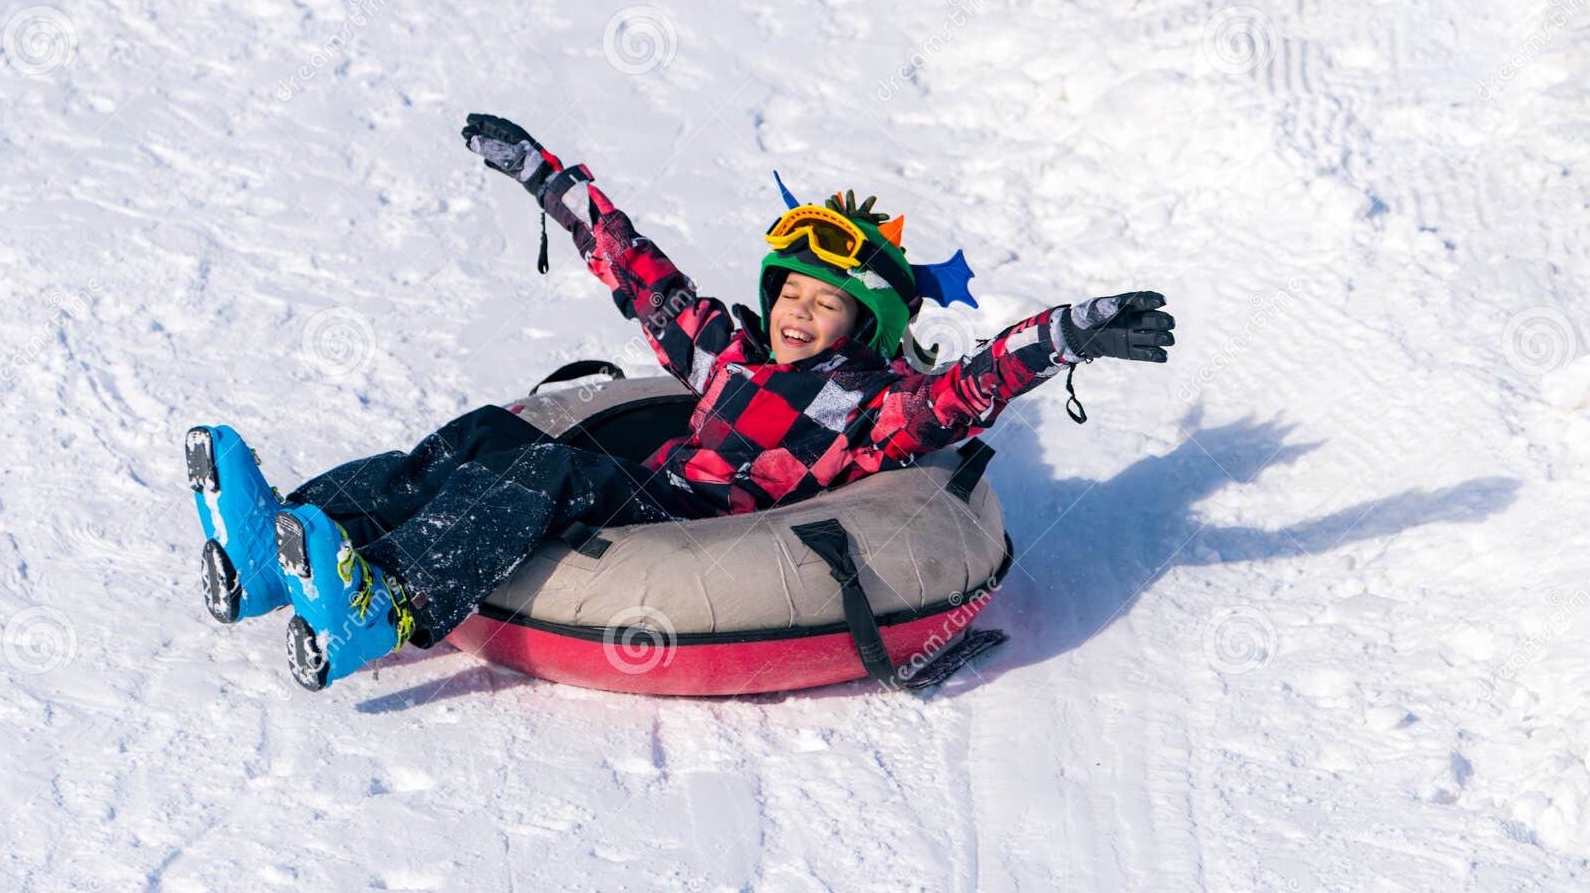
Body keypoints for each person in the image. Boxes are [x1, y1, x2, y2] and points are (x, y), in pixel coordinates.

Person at [185, 114, 1175, 692]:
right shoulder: (728, 354)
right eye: (791, 290)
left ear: (862, 323)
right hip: (643, 486)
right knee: (490, 435)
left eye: (825, 303)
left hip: (701, 525)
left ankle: (383, 605)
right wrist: (548, 180)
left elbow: (971, 388)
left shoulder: (875, 406)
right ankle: (287, 540)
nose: (798, 313)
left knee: (546, 468)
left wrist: (1068, 334)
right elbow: (642, 275)